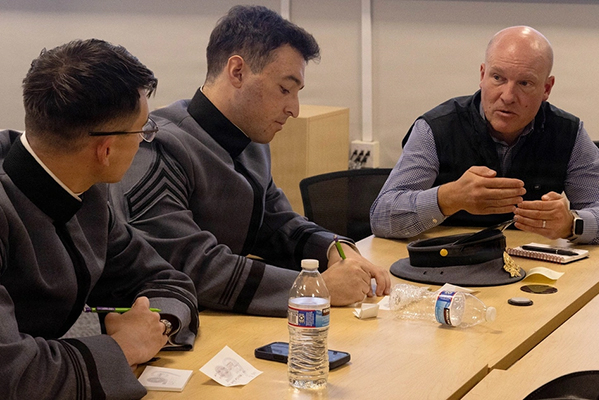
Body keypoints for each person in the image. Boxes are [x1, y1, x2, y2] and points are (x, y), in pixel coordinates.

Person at [109, 5, 391, 318]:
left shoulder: (251, 143)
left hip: (223, 320)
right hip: (162, 325)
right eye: (284, 89)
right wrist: (313, 288)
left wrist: (335, 248)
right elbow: (190, 267)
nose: (294, 109)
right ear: (237, 72)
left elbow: (277, 224)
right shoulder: (158, 147)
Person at [0, 39, 199, 399]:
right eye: (144, 130)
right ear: (106, 150)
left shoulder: (84, 190)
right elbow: (11, 374)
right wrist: (124, 348)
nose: (145, 141)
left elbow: (165, 279)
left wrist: (154, 326)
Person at [371, 26, 599, 244]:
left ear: (546, 88)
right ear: (482, 75)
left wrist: (572, 224)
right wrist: (448, 198)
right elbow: (382, 216)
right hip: (448, 259)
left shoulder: (568, 133)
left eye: (524, 83)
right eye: (498, 78)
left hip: (535, 263)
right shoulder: (437, 128)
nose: (508, 96)